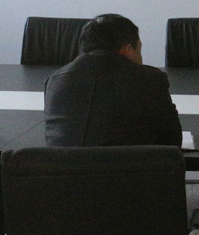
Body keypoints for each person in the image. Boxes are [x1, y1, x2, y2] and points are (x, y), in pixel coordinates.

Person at [45, 13, 182, 147]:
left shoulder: (55, 80)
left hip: (64, 162)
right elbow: (172, 143)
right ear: (128, 50)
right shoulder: (151, 79)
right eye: (139, 50)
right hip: (130, 163)